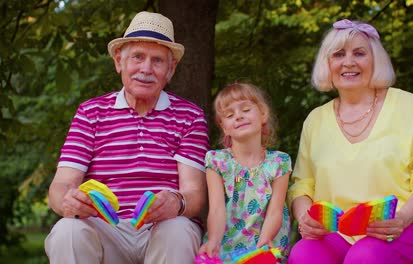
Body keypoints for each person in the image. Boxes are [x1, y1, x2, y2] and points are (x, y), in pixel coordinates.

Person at [44, 11, 209, 264]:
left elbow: (195, 193)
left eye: (157, 61)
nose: (146, 69)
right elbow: (60, 186)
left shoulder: (190, 116)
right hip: (104, 229)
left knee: (178, 229)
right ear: (119, 61)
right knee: (68, 230)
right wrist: (68, 201)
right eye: (138, 57)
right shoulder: (90, 112)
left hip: (161, 228)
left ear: (170, 69)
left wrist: (177, 201)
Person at [287, 19, 413, 264]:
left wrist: (402, 218)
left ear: (376, 60)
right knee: (304, 254)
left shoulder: (408, 106)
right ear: (327, 64)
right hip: (338, 233)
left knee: (365, 256)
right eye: (338, 54)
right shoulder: (315, 120)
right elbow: (302, 185)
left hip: (404, 227)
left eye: (359, 53)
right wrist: (304, 216)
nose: (348, 62)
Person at [197, 82, 292, 263]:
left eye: (246, 109)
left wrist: (262, 247)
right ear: (224, 127)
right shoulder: (217, 161)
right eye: (230, 115)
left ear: (263, 114)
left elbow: (275, 211)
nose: (239, 116)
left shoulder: (279, 162)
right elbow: (216, 209)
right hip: (226, 245)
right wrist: (214, 241)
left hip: (266, 242)